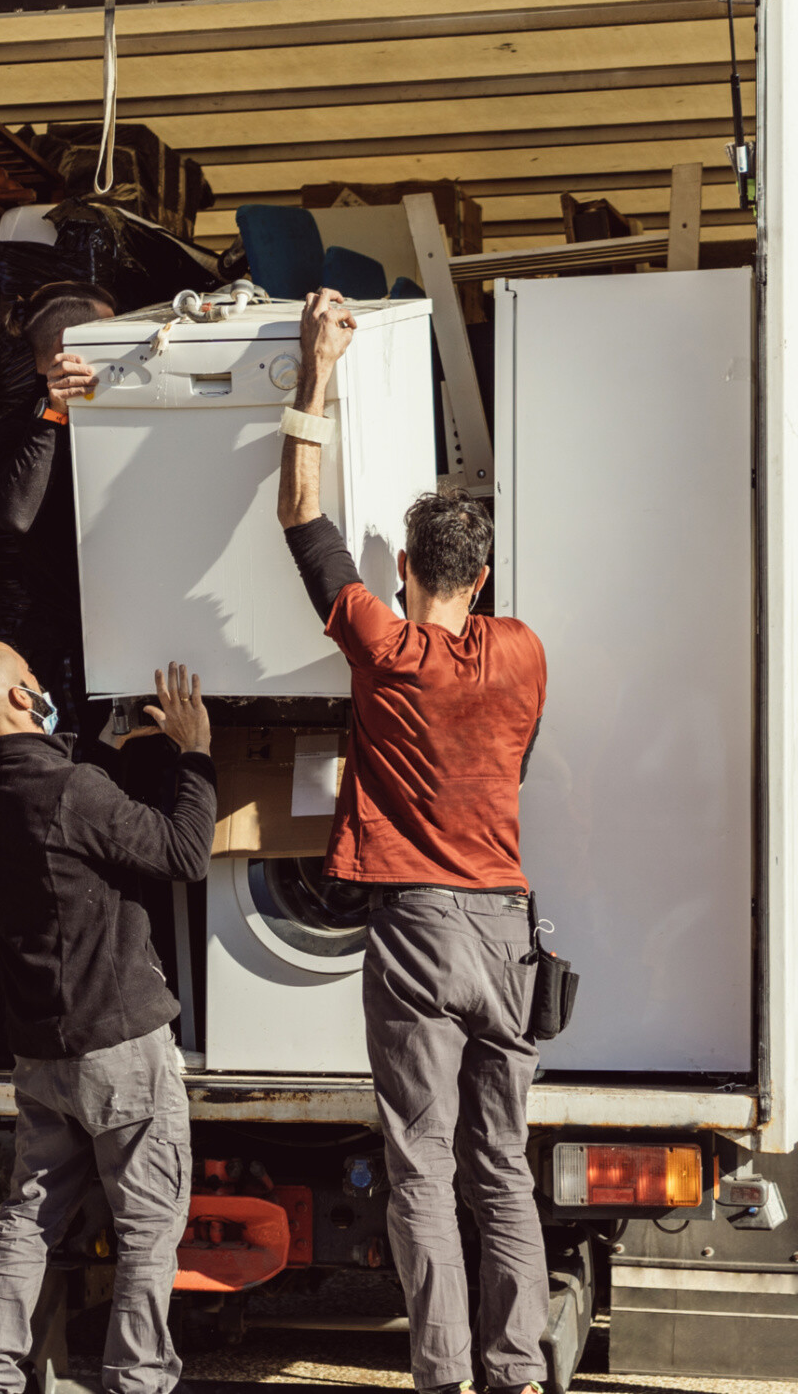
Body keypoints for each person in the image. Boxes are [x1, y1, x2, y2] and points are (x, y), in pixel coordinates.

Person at [275, 288, 551, 1394]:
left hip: (419, 928)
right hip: (507, 928)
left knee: (422, 1170)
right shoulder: (525, 651)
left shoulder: (384, 648)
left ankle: (444, 1377)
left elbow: (301, 517)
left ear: (405, 573)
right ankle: (516, 1371)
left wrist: (318, 369)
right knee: (504, 1174)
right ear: (482, 580)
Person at [0, 638, 214, 1394]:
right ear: (24, 699)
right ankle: (138, 1381)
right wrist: (195, 754)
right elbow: (185, 851)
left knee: (28, 1216)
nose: (42, 689)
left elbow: (63, 803)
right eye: (34, 680)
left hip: (43, 1051)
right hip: (120, 1041)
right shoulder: (72, 791)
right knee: (150, 1226)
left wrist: (102, 745)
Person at [0, 280, 114, 715]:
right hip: (70, 645)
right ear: (72, 345)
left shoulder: (118, 409)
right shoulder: (24, 424)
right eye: (111, 334)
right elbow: (16, 515)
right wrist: (53, 413)